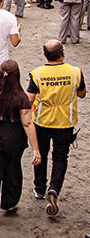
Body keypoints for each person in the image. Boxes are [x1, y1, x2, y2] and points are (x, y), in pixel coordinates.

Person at [0, 60, 41, 227]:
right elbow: (27, 123)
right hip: (13, 135)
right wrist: (36, 149)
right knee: (12, 168)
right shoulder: (21, 97)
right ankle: (9, 200)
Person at [27, 40, 85, 216]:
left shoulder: (38, 73)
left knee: (40, 154)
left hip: (42, 120)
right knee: (60, 157)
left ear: (44, 55)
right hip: (65, 122)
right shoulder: (75, 72)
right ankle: (55, 188)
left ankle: (39, 188)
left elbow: (29, 98)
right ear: (63, 53)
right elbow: (82, 94)